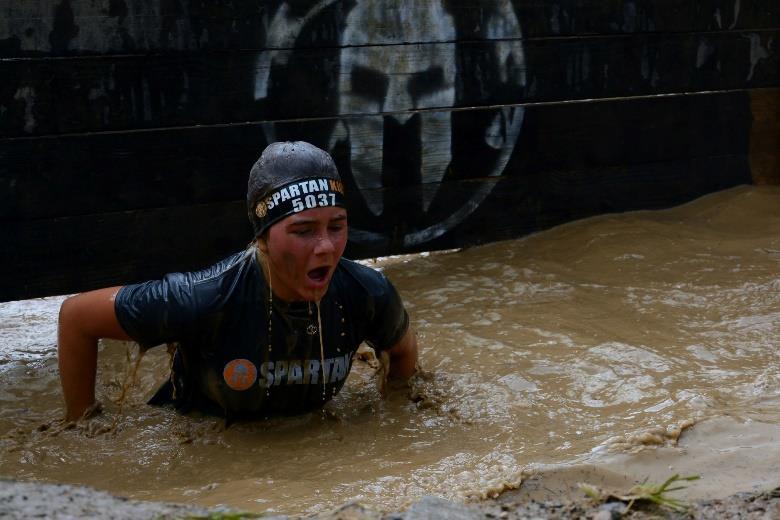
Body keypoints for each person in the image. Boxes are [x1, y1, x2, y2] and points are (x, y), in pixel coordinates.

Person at [57, 141, 418, 422]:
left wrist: (391, 418)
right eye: (303, 230)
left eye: (336, 226)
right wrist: (82, 425)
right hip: (203, 434)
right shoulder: (204, 297)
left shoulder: (367, 292)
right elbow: (76, 317)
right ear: (262, 237)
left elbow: (402, 354)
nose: (326, 246)